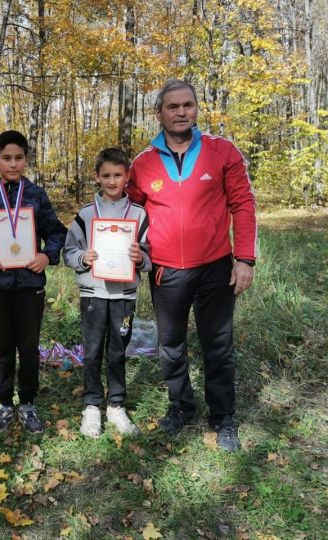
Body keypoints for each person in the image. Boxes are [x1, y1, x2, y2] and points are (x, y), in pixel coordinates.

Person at [127, 79, 257, 451]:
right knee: (170, 344)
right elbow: (130, 215)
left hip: (215, 267)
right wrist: (131, 255)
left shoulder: (222, 152)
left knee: (218, 344)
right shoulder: (143, 163)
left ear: (196, 109)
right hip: (167, 270)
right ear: (159, 114)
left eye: (188, 105)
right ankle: (181, 407)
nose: (181, 112)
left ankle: (223, 417)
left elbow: (243, 204)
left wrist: (244, 258)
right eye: (173, 106)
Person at [0, 130, 67, 434]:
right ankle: (5, 402)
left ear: (26, 161)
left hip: (30, 284)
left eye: (19, 158)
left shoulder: (36, 196)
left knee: (29, 345)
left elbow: (57, 232)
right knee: (1, 345)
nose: (13, 164)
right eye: (6, 158)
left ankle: (28, 402)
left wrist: (47, 256)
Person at [63, 148, 151, 438]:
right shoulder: (87, 215)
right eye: (106, 175)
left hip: (124, 297)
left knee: (117, 351)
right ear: (97, 178)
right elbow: (68, 251)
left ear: (127, 176)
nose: (112, 181)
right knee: (92, 351)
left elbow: (150, 256)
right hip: (93, 294)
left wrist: (140, 258)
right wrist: (82, 259)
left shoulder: (139, 215)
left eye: (118, 175)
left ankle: (115, 404)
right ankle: (91, 405)